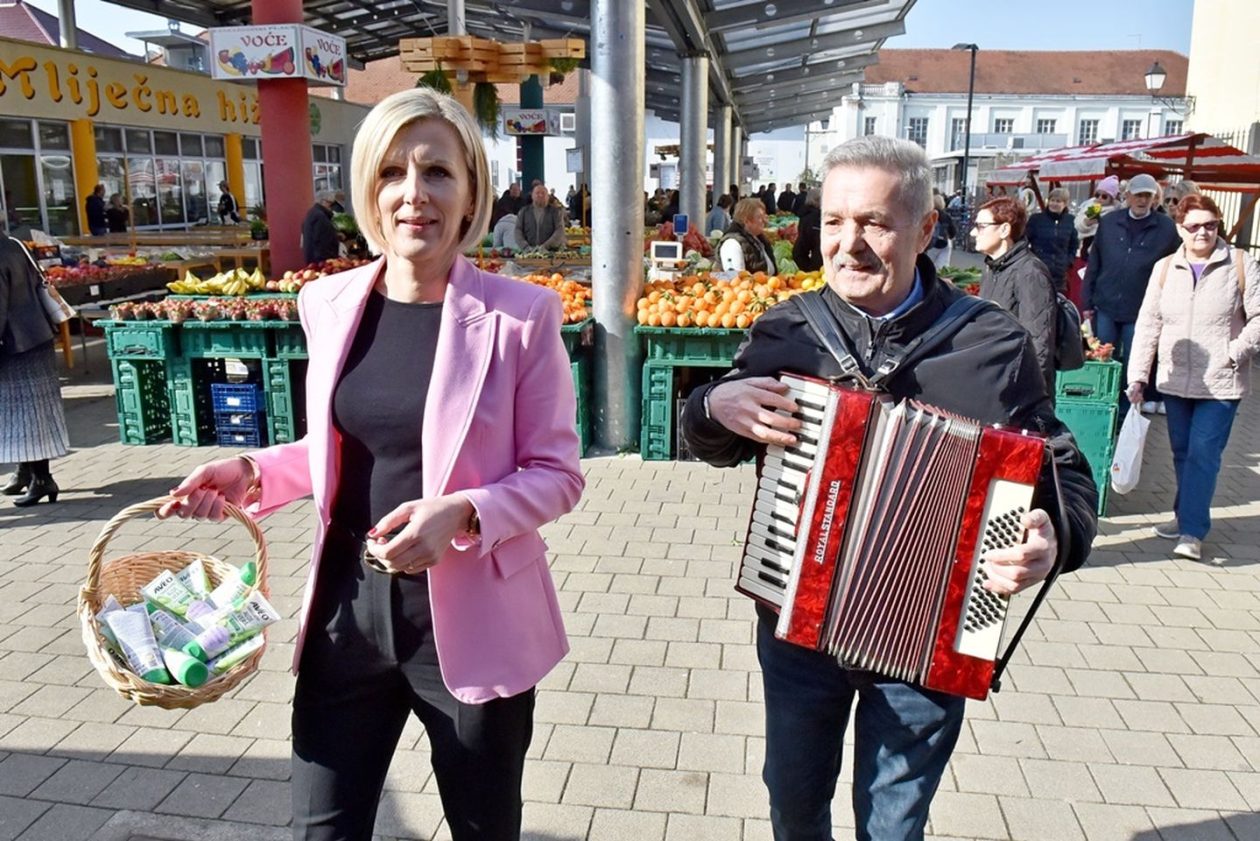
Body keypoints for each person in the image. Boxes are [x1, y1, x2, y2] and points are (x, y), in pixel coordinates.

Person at [157, 87, 584, 840]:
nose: (412, 194)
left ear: (471, 192)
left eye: (436, 172)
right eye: (391, 172)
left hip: (471, 622)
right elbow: (335, 450)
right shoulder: (327, 302)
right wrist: (254, 473)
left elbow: (557, 473)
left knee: (485, 829)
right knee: (321, 828)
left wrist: (465, 510)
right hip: (345, 618)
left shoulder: (522, 316)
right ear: (367, 189)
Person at [680, 135, 1097, 841]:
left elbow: (1062, 466)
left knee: (894, 823)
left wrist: (1054, 533)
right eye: (835, 222)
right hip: (798, 631)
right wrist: (711, 406)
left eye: (875, 222)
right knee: (792, 799)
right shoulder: (786, 331)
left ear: (927, 227)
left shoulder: (990, 342)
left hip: (929, 638)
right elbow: (713, 440)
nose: (850, 243)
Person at [1127, 194, 1260, 562]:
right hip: (1174, 378)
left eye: (1211, 225)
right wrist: (1138, 374)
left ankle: (1192, 531)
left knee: (1204, 454)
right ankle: (1183, 515)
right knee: (1182, 453)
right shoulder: (1166, 268)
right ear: (1179, 228)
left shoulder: (1239, 263)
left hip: (1221, 381)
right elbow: (1149, 323)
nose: (1203, 232)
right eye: (1195, 226)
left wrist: (1235, 352)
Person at [1083, 172, 1180, 419]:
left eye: (1147, 195)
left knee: (1134, 362)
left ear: (1154, 198)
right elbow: (1095, 262)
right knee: (1105, 357)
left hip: (1141, 308)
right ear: (1127, 196)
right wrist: (1087, 302)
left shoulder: (1166, 228)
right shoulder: (1109, 222)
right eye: (1138, 195)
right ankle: (1105, 408)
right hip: (1105, 303)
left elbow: (1175, 268)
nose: (1142, 200)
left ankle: (1127, 411)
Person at [0, 236, 69, 507]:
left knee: (28, 413)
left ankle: (42, 479)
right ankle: (25, 471)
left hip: (17, 343)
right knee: (24, 410)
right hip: (34, 335)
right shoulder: (13, 243)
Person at [974, 196, 1059, 397]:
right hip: (993, 381)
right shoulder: (992, 268)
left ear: (1004, 230)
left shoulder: (1030, 272)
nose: (973, 233)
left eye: (981, 226)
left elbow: (1039, 345)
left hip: (1017, 394)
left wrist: (1022, 397)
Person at [1025, 187, 1079, 291]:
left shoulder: (1070, 220)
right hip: (1038, 270)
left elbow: (1073, 245)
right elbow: (1025, 240)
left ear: (1065, 204)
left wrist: (1068, 261)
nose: (1054, 204)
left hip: (1059, 272)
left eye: (1058, 201)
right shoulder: (1036, 219)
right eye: (1052, 200)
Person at [719, 198, 776, 274]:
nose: (765, 221)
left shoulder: (757, 238)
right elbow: (737, 280)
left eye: (764, 216)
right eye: (759, 217)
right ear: (746, 221)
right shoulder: (732, 245)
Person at [1074, 174, 1120, 253]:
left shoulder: (1116, 210)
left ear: (1112, 198)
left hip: (1103, 246)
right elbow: (1078, 225)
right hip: (1087, 243)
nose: (1100, 198)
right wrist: (1086, 223)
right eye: (1097, 195)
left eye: (1104, 196)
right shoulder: (1091, 205)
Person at [514, 183, 567, 249]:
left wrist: (545, 246)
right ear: (532, 196)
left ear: (548, 196)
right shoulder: (523, 212)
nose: (540, 195)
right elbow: (518, 230)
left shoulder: (556, 212)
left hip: (552, 253)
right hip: (528, 253)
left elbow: (560, 231)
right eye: (537, 193)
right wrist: (525, 247)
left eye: (543, 193)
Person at [301, 191, 341, 265]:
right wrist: (330, 260)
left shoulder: (312, 213)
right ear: (323, 202)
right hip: (321, 261)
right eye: (331, 204)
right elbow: (322, 242)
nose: (332, 208)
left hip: (314, 259)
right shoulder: (320, 217)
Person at [791, 187, 823, 272]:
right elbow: (799, 251)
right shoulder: (815, 219)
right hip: (820, 270)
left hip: (818, 271)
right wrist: (811, 269)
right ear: (818, 200)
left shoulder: (806, 217)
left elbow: (799, 252)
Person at [923, 194, 956, 271]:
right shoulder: (946, 216)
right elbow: (953, 231)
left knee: (929, 264)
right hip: (945, 243)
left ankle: (929, 280)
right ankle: (941, 280)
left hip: (932, 243)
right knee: (943, 266)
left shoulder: (930, 215)